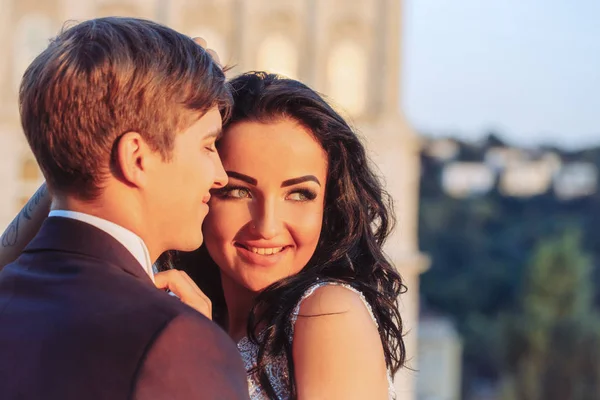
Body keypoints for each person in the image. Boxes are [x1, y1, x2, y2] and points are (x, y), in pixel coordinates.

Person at [1, 71, 406, 398]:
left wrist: (199, 359)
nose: (266, 224)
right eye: (238, 190)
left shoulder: (327, 312)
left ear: (328, 205)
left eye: (299, 194)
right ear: (204, 187)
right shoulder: (186, 307)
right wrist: (85, 158)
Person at [0, 17, 249, 400]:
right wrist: (192, 347)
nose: (219, 176)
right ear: (137, 157)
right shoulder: (176, 343)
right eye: (207, 146)